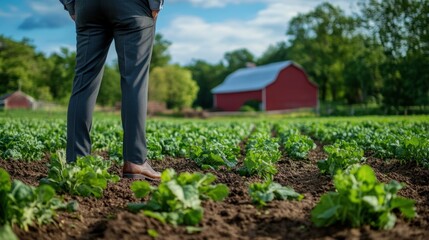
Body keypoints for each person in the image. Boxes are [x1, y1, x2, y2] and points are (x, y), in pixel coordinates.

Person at [59, 0, 164, 180]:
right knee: (134, 81)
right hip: (133, 7)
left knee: (83, 82)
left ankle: (76, 163)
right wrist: (155, 4)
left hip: (87, 6)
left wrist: (71, 4)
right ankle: (135, 161)